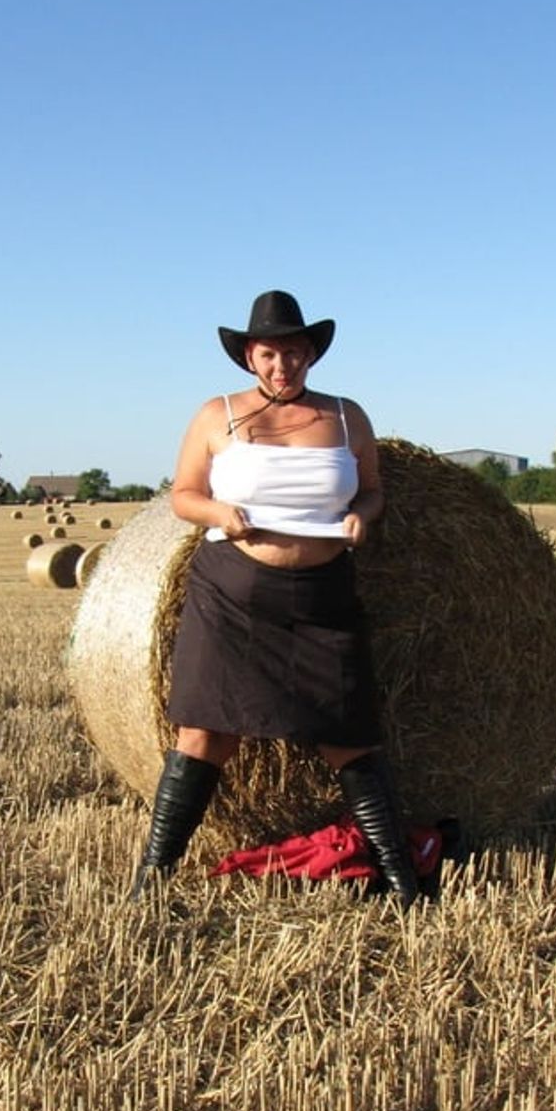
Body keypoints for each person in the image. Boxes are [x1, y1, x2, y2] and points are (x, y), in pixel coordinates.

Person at [132, 290, 419, 907]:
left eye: (293, 352)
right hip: (232, 595)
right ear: (249, 357)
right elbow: (183, 494)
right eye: (269, 353)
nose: (281, 365)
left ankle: (404, 884)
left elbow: (371, 492)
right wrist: (219, 513)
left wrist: (364, 517)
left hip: (323, 595)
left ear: (311, 352)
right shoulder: (218, 415)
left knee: (350, 735)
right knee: (204, 735)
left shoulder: (346, 417)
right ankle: (150, 882)